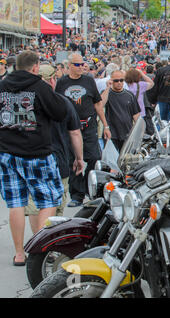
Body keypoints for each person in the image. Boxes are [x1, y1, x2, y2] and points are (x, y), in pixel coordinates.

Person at [0, 51, 67, 266]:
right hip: (36, 152)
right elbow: (59, 112)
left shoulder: (2, 85)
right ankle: (41, 249)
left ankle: (20, 254)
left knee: (16, 203)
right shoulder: (39, 87)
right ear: (36, 67)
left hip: (7, 152)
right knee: (50, 199)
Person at [25, 64, 84, 234]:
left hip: (32, 158)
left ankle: (37, 243)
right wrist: (79, 158)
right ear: (52, 80)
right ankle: (47, 245)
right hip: (58, 158)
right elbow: (74, 133)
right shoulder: (62, 102)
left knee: (36, 204)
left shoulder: (26, 103)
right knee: (55, 205)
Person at [56, 53, 111, 208]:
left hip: (88, 126)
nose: (81, 67)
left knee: (94, 157)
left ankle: (88, 188)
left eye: (82, 64)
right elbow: (57, 105)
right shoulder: (62, 82)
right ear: (69, 66)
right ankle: (77, 195)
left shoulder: (88, 80)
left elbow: (98, 104)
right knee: (73, 161)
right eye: (77, 65)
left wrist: (105, 126)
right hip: (69, 128)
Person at [100, 70, 141, 151]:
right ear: (111, 80)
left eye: (121, 80)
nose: (119, 82)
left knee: (126, 160)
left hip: (127, 133)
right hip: (111, 134)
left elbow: (136, 115)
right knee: (111, 161)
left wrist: (138, 132)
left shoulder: (129, 95)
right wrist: (108, 87)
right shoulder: (106, 93)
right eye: (116, 81)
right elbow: (100, 105)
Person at [146, 55, 170, 122]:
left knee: (160, 121)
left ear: (168, 61)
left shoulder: (160, 70)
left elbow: (155, 86)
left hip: (162, 99)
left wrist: (152, 100)